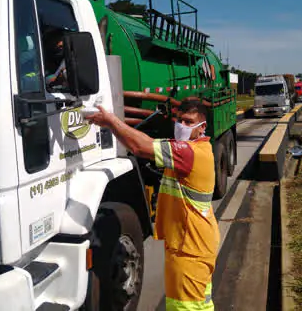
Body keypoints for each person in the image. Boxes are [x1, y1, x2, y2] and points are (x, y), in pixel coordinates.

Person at [85, 99, 219, 311]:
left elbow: (140, 146)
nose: (181, 126)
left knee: (186, 307)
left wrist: (110, 121)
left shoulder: (189, 153)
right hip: (196, 243)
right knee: (201, 304)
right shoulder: (196, 150)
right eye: (179, 120)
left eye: (188, 121)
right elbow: (145, 142)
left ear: (202, 127)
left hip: (190, 249)